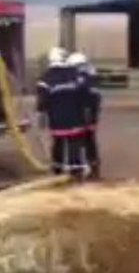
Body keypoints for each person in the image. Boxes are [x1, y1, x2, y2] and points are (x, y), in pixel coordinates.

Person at [36, 46, 92, 179]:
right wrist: (87, 114)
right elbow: (85, 95)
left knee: (58, 143)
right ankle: (76, 171)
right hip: (75, 117)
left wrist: (41, 118)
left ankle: (58, 169)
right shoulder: (75, 75)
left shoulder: (45, 79)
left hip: (56, 119)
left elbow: (42, 102)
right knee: (74, 143)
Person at [66, 51, 102, 179]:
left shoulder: (80, 78)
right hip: (92, 114)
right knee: (90, 141)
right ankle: (94, 168)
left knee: (75, 141)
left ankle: (76, 171)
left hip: (80, 115)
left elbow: (78, 96)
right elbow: (96, 98)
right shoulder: (92, 76)